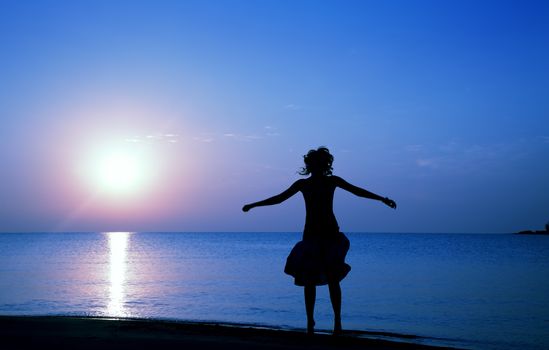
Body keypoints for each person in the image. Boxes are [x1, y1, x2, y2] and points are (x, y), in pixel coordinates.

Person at [242, 147, 396, 335]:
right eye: (314, 162)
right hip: (311, 236)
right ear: (310, 164)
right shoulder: (302, 184)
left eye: (321, 162)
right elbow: (279, 198)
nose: (317, 166)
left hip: (331, 235)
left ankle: (337, 322)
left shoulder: (333, 181)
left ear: (325, 164)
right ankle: (310, 322)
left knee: (332, 279)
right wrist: (254, 204)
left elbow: (357, 191)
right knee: (309, 280)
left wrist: (382, 199)